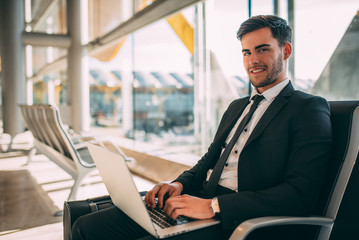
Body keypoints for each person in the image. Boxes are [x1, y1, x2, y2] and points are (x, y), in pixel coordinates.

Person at [72, 15, 332, 240]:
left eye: (263, 49)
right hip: (198, 200)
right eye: (246, 52)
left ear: (286, 51)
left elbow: (299, 194)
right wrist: (178, 185)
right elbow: (208, 161)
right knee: (86, 226)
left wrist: (214, 206)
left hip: (240, 220)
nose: (253, 60)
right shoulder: (236, 107)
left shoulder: (307, 108)